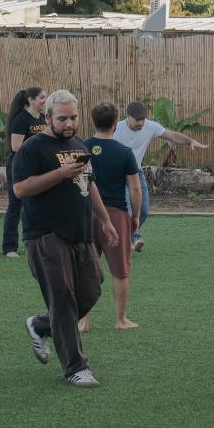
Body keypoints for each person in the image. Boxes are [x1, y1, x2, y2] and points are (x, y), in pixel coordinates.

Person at [17, 90, 119, 388]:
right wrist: (59, 174)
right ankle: (76, 367)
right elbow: (20, 189)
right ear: (48, 117)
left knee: (91, 291)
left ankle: (40, 324)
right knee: (62, 300)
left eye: (73, 117)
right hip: (46, 235)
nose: (69, 123)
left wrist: (105, 221)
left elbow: (89, 183)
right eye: (62, 119)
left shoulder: (78, 144)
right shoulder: (33, 148)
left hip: (81, 234)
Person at [114, 100, 210, 252]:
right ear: (128, 117)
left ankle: (127, 235)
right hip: (117, 175)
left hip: (136, 172)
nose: (141, 123)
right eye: (137, 120)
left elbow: (172, 135)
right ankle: (133, 236)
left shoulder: (150, 126)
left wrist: (189, 141)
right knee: (127, 210)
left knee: (143, 211)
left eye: (143, 119)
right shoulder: (116, 129)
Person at [84, 102, 142, 330]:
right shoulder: (124, 152)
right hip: (116, 215)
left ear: (93, 121)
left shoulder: (81, 147)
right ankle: (121, 319)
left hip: (86, 213)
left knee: (85, 268)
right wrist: (135, 216)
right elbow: (135, 189)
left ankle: (83, 320)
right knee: (120, 269)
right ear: (116, 122)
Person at [3, 86, 46, 257]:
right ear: (30, 100)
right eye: (42, 97)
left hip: (37, 166)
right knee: (15, 206)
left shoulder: (42, 118)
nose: (45, 100)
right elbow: (16, 146)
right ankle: (10, 247)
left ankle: (39, 242)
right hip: (19, 166)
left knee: (39, 204)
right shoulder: (21, 119)